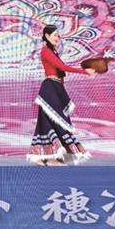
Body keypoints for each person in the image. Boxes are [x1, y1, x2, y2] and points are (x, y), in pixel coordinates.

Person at [27, 25, 95, 166]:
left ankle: (52, 156)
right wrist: (84, 71)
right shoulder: (45, 51)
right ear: (47, 36)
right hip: (50, 89)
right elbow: (62, 67)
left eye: (58, 35)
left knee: (53, 121)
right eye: (55, 35)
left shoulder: (53, 51)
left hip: (56, 88)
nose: (57, 38)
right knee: (51, 122)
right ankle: (50, 156)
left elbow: (60, 71)